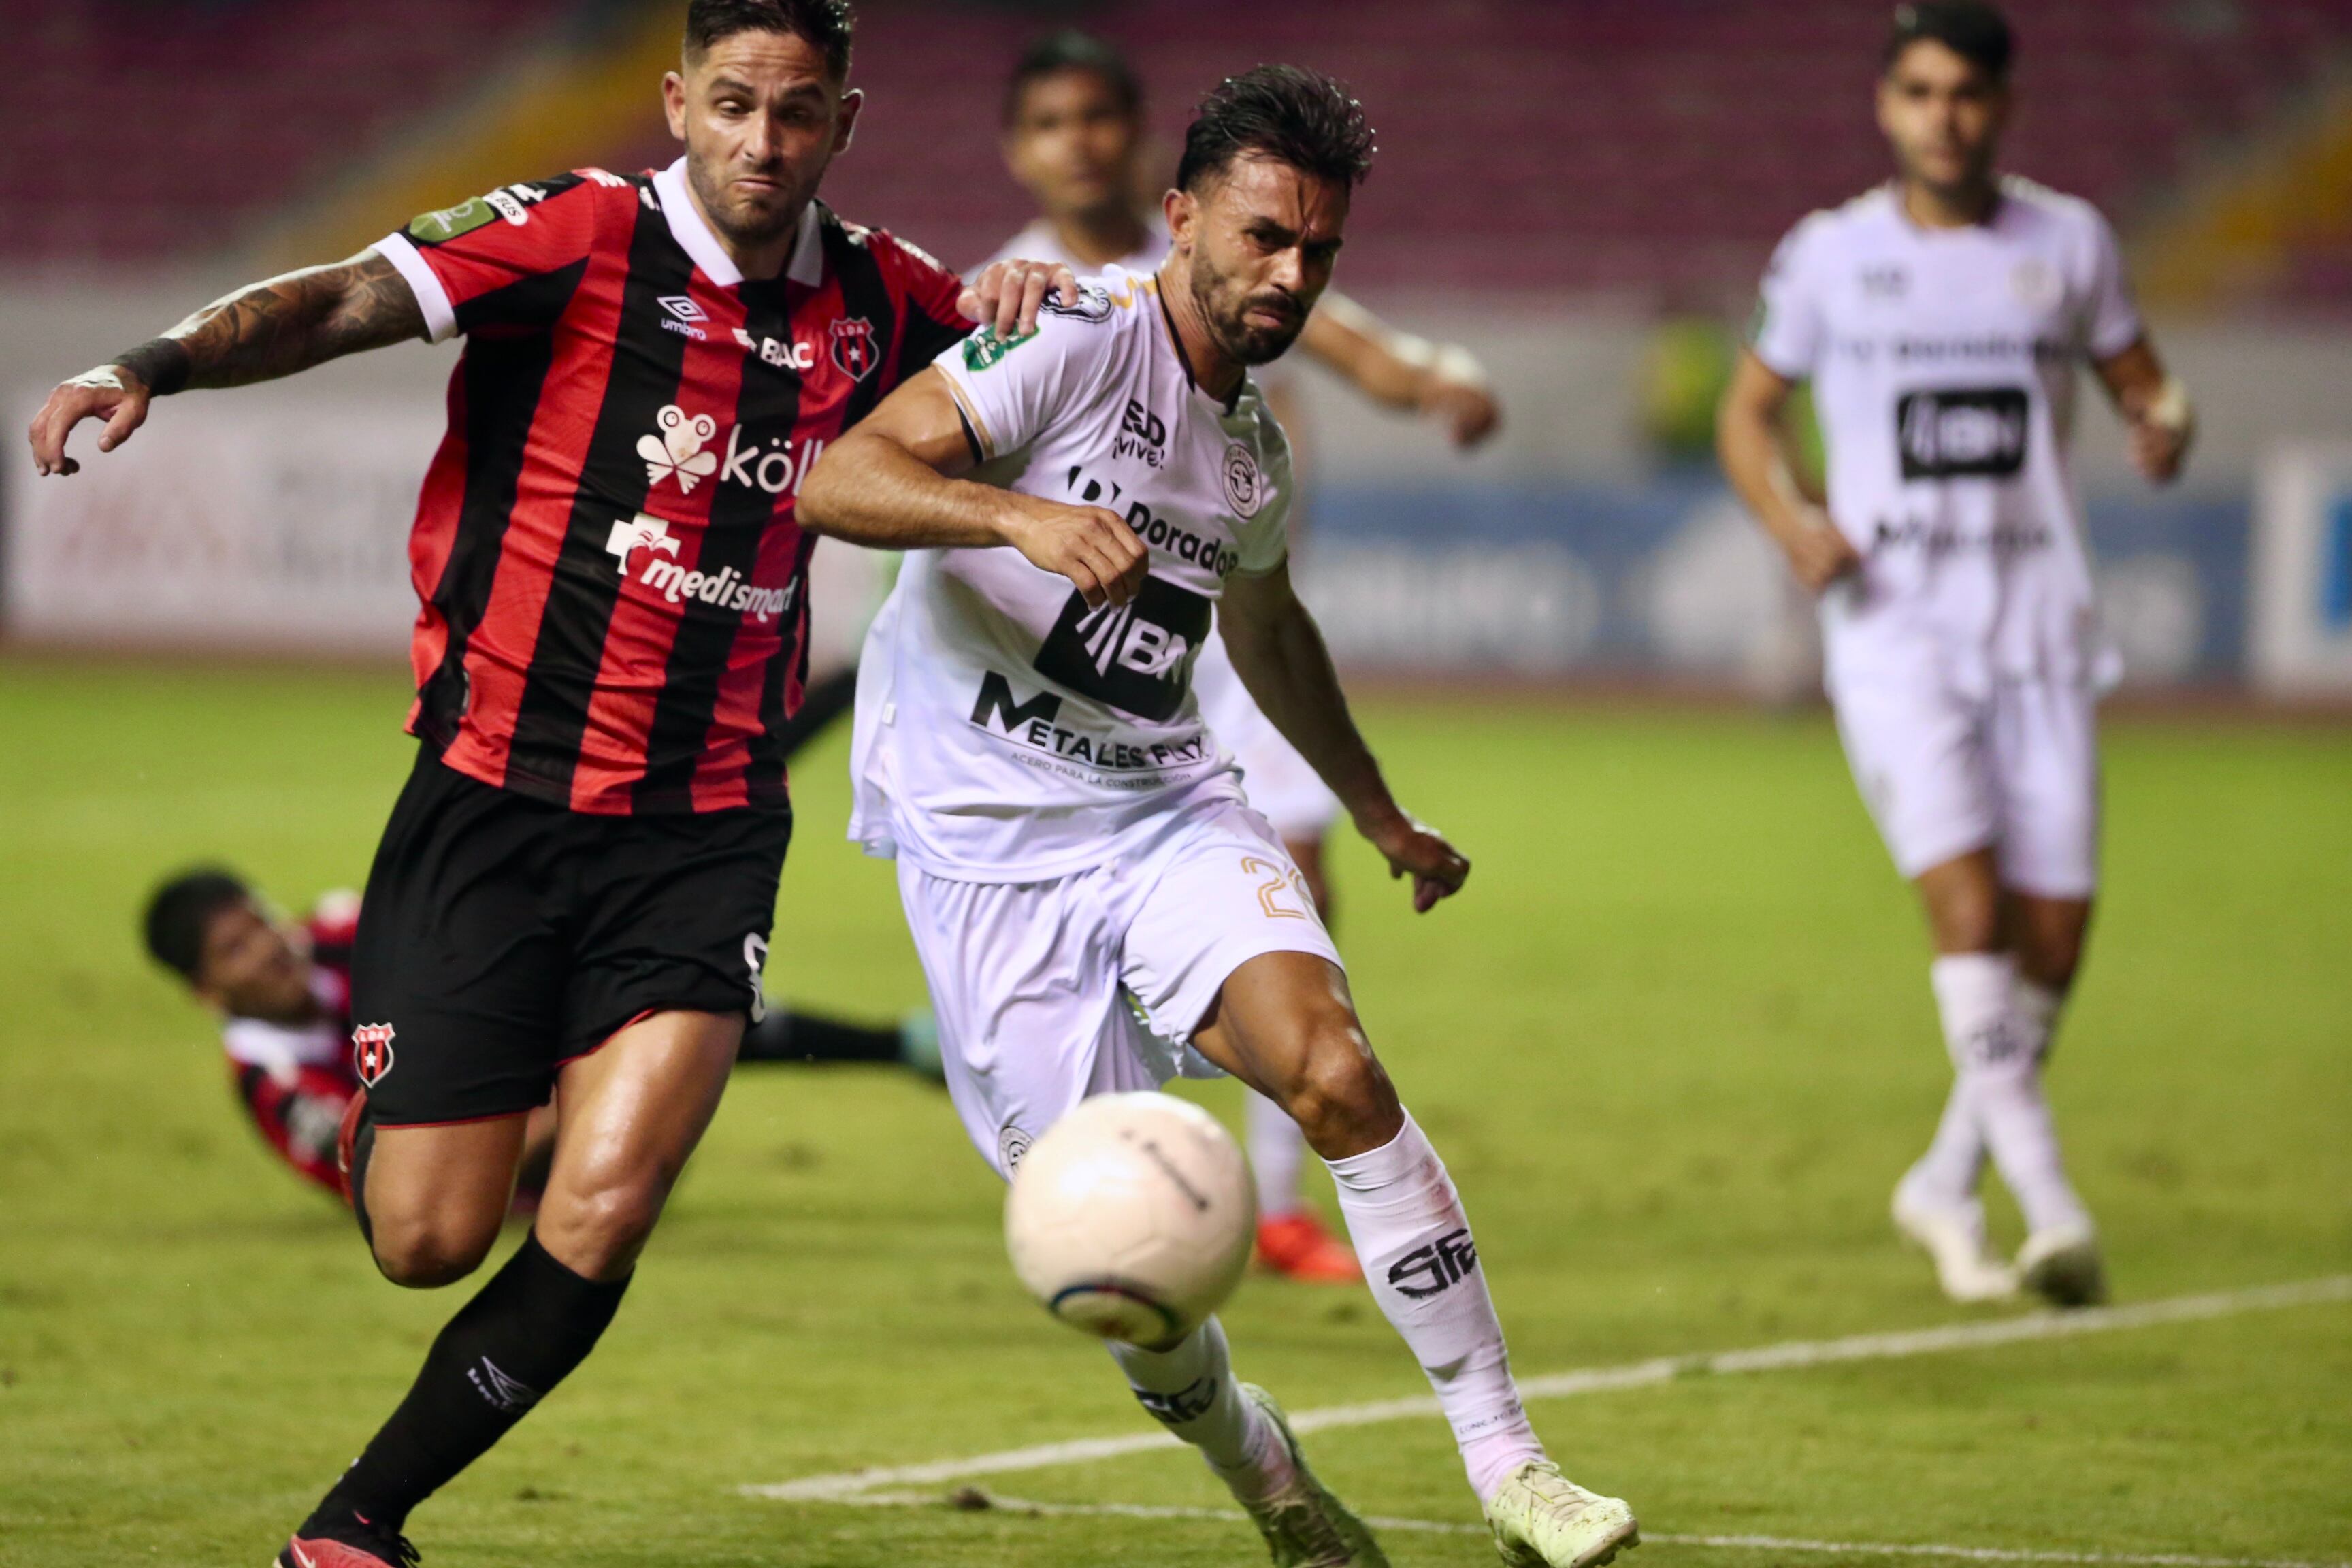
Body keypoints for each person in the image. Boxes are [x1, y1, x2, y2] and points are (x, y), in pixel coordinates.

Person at [27, 2, 1081, 1561]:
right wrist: (154, 363)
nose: (762, 140)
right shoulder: (570, 234)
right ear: (677, 103)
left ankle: (357, 1521)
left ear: (843, 123)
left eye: (798, 110)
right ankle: (411, 1084)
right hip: (491, 799)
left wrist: (1034, 298)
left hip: (706, 829)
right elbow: (330, 304)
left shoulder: (889, 298)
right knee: (426, 1237)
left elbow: (1058, 362)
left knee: (599, 1208)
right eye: (732, 102)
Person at [800, 65, 1639, 1568]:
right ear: (1181, 217)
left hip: (1160, 808)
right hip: (986, 853)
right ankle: (1265, 1472)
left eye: (1319, 252)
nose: (1291, 277)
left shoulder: (1250, 449)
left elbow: (1265, 628)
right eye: (1264, 237)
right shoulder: (1064, 340)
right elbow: (837, 478)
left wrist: (1378, 814)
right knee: (1122, 1262)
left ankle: (1513, 1464)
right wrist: (1018, 513)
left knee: (1337, 1071)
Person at [987, 29, 1505, 1284]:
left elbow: (1364, 347)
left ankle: (1274, 1202)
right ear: (1018, 148)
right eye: (1052, 124)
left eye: (1100, 119)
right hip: (1080, 668)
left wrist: (1440, 380)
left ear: (1138, 141)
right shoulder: (1011, 292)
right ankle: (1139, 1167)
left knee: (1302, 891)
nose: (1079, 145)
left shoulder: (1248, 252)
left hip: (1223, 633)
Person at [1716, 0, 2192, 1308]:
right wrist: (1791, 518)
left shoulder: (2070, 244)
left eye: (1967, 94)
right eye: (1920, 92)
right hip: (1894, 627)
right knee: (1968, 908)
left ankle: (1941, 1180)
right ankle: (2048, 1206)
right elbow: (1747, 412)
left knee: (2056, 932)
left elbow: (2145, 384)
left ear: (2003, 106)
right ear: (1886, 105)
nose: (1944, 116)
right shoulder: (1828, 256)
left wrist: (2163, 423)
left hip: (2040, 622)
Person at [140, 868, 936, 1202]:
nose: (270, 947)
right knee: (658, 1037)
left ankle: (901, 1045)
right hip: (501, 1185)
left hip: (534, 1077)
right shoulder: (274, 1087)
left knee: (672, 1005)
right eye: (237, 949)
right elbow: (400, 1188)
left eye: (259, 923)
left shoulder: (343, 934)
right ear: (208, 991)